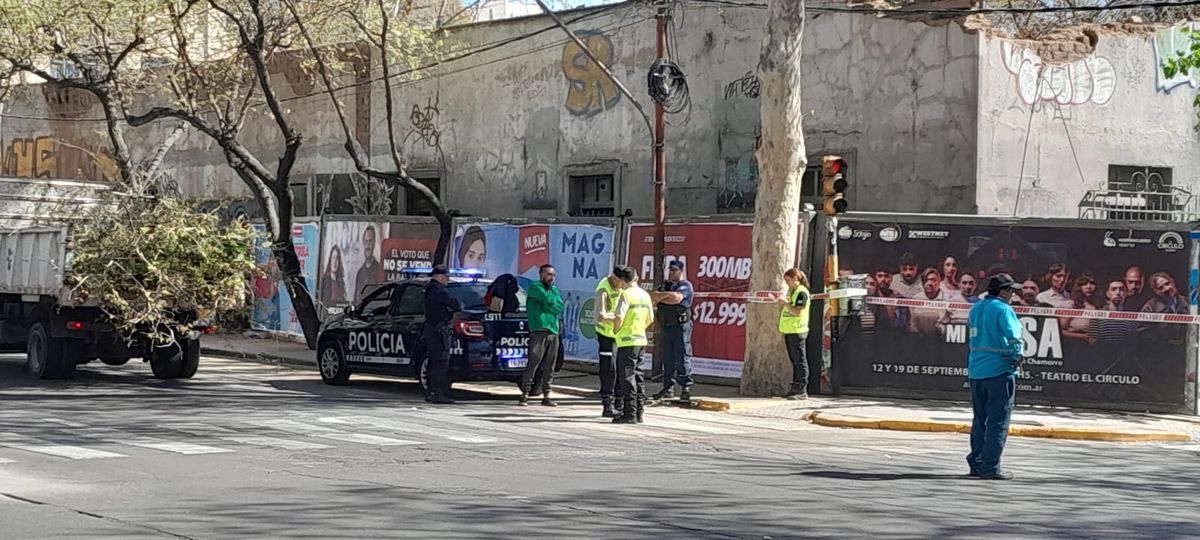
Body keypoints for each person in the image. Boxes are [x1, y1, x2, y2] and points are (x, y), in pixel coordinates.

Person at [966, 273, 1024, 481]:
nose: (1013, 295)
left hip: (976, 372)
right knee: (998, 421)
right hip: (999, 371)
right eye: (1011, 291)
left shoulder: (976, 308)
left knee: (980, 419)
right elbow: (1014, 338)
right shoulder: (1003, 309)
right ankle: (990, 468)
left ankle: (977, 463)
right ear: (1004, 292)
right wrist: (1017, 358)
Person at [612, 266, 653, 424]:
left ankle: (629, 414)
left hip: (627, 341)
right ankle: (640, 412)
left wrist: (616, 330)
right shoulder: (645, 295)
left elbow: (618, 317)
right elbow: (650, 318)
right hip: (641, 340)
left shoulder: (625, 295)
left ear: (623, 280)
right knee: (639, 376)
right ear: (636, 278)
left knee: (627, 378)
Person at [519, 265, 564, 407]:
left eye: (554, 275)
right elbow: (548, 300)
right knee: (533, 362)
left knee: (550, 365)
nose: (552, 278)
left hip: (553, 331)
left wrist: (550, 303)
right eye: (549, 274)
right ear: (541, 274)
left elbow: (559, 307)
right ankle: (525, 394)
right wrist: (550, 302)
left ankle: (547, 395)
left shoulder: (555, 289)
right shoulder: (535, 287)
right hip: (539, 329)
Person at [651, 260, 695, 402]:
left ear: (681, 271)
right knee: (667, 357)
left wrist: (663, 298)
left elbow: (677, 299)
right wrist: (665, 297)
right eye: (670, 270)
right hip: (666, 325)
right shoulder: (666, 285)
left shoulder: (686, 285)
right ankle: (668, 388)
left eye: (675, 270)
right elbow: (652, 295)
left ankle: (685, 388)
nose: (672, 273)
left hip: (680, 326)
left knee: (682, 357)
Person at [423, 265, 461, 404]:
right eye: (446, 276)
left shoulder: (429, 289)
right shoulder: (439, 290)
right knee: (441, 361)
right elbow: (456, 304)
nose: (448, 279)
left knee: (434, 360)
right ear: (438, 277)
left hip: (433, 329)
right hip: (440, 330)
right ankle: (437, 392)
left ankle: (432, 391)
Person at [592, 269, 626, 417]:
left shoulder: (624, 287)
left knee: (620, 369)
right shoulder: (604, 289)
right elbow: (599, 315)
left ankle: (620, 402)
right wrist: (618, 318)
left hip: (619, 335)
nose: (622, 284)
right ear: (614, 277)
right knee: (609, 370)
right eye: (620, 281)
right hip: (606, 336)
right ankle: (607, 404)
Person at [778, 268, 812, 400]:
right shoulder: (793, 292)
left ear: (795, 279)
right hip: (789, 330)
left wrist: (786, 304)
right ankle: (795, 387)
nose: (787, 284)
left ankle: (802, 389)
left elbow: (797, 311)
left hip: (798, 330)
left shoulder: (801, 293)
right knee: (794, 361)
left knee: (800, 361)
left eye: (788, 281)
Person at [1139, 272, 1189, 347]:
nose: (1166, 289)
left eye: (1167, 283)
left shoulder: (1189, 304)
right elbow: (1142, 332)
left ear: (1173, 282)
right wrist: (1163, 342)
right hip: (1160, 352)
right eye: (1160, 288)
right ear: (1155, 291)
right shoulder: (1150, 307)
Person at [908, 267, 950, 336]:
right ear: (922, 283)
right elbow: (913, 325)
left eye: (933, 280)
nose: (929, 283)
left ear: (939, 282)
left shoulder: (948, 299)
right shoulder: (915, 299)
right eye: (926, 280)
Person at [1061, 273, 1098, 342]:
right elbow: (1061, 331)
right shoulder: (1070, 304)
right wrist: (1082, 336)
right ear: (1079, 286)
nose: (1089, 287)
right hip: (1073, 344)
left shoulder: (1096, 305)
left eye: (1092, 283)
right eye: (1085, 284)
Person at [355, 225, 385, 301]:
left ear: (374, 242)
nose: (368, 245)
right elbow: (356, 299)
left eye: (370, 241)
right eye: (366, 241)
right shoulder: (360, 273)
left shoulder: (380, 270)